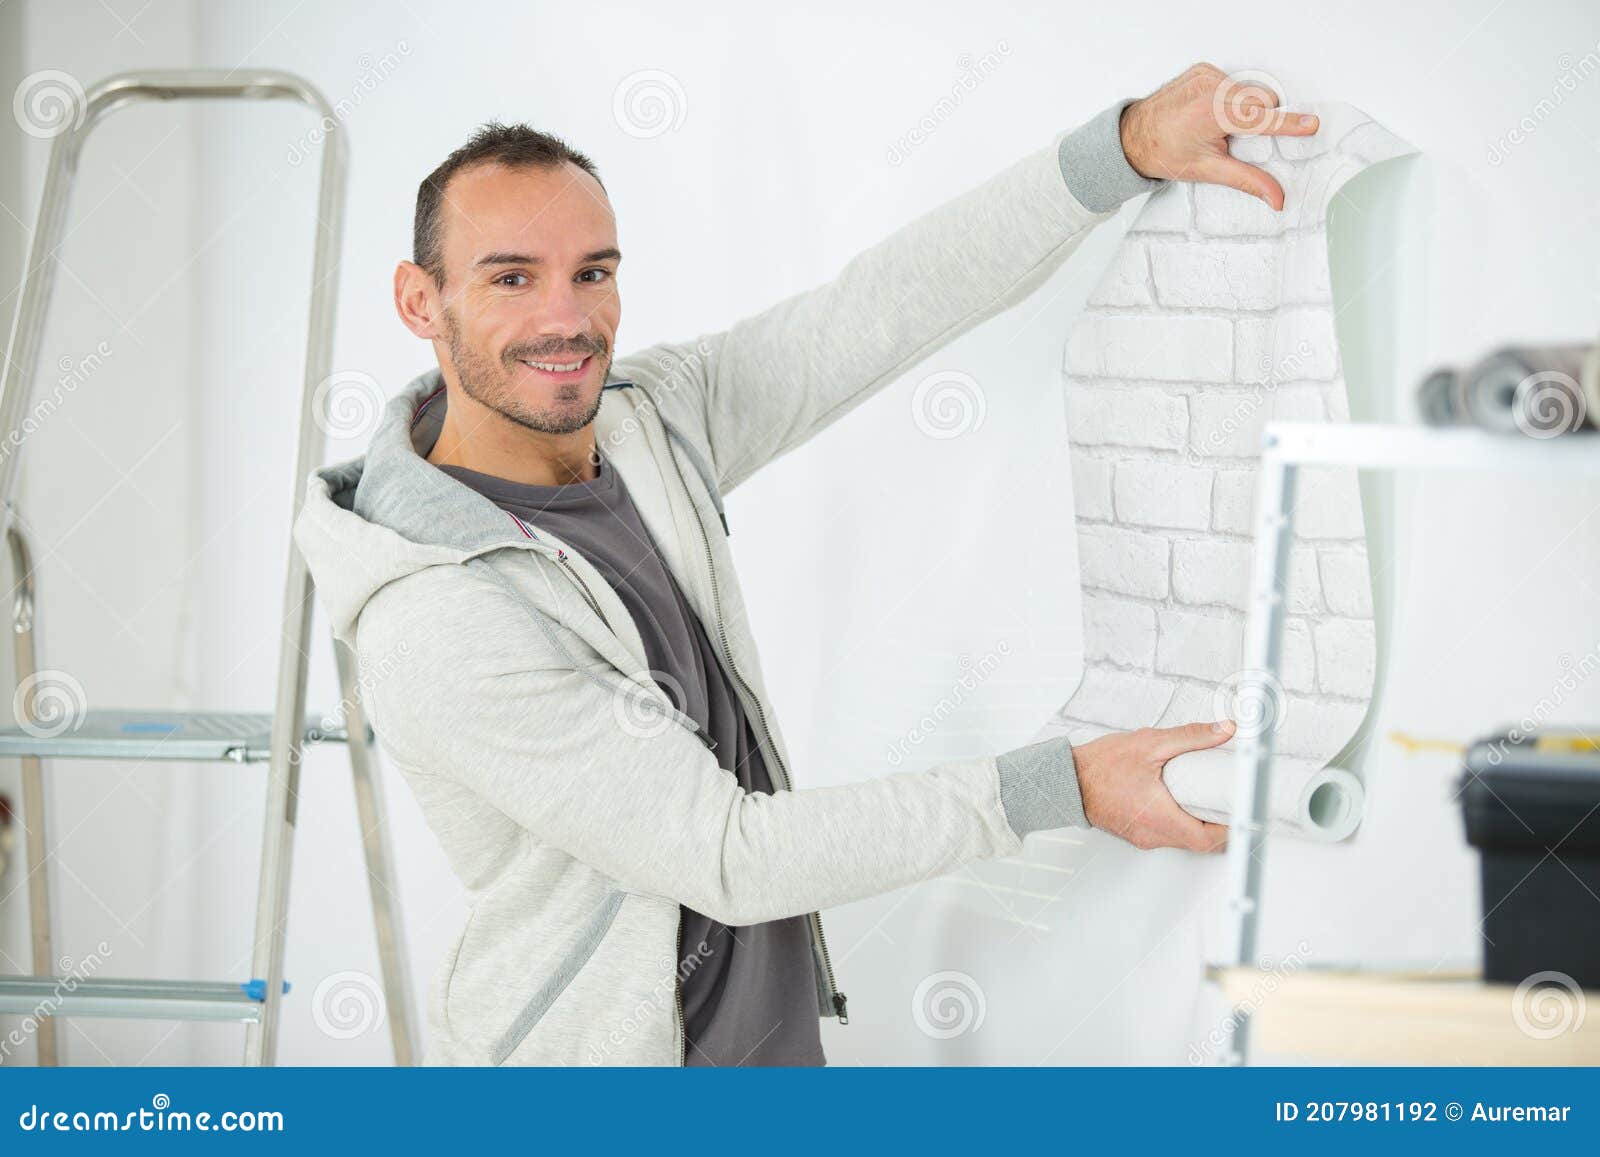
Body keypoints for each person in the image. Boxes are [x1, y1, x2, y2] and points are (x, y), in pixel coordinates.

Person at [292, 61, 1318, 1066]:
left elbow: (874, 310)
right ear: (420, 301)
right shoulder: (436, 610)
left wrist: (1124, 148)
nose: (567, 318)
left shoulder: (649, 422)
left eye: (592, 272)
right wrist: (1068, 785)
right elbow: (727, 854)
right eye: (511, 277)